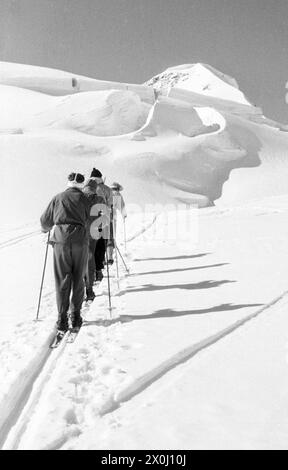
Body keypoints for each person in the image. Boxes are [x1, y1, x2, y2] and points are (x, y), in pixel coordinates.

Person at [40, 172, 90, 336]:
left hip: (60, 241)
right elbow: (93, 221)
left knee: (62, 279)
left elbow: (45, 221)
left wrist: (46, 229)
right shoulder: (85, 199)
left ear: (68, 182)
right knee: (78, 278)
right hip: (80, 241)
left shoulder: (58, 198)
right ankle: (75, 317)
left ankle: (62, 319)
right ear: (82, 184)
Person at [82, 178, 107, 301]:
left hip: (79, 232)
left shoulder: (79, 198)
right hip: (93, 232)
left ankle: (80, 285)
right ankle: (89, 287)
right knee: (90, 258)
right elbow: (106, 216)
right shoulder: (99, 199)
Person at [90, 168, 114, 276]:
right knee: (102, 242)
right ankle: (100, 266)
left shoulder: (88, 188)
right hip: (104, 218)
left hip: (90, 219)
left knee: (92, 244)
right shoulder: (107, 189)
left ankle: (92, 268)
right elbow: (110, 205)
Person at [107, 182, 127, 263]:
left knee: (102, 238)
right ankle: (110, 257)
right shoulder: (117, 194)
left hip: (101, 217)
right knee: (110, 237)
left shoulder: (105, 192)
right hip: (112, 218)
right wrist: (124, 215)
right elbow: (122, 207)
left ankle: (102, 258)